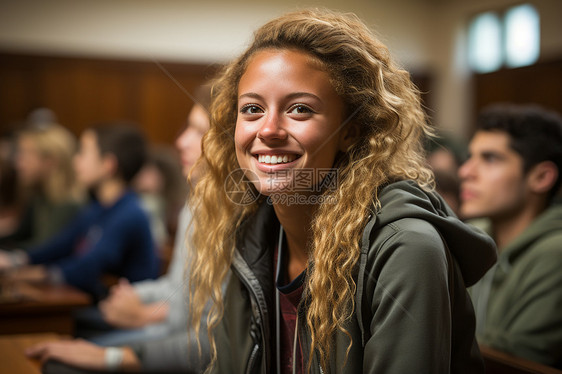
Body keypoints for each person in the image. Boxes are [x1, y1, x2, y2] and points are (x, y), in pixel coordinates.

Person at [188, 9, 496, 374]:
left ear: (350, 130)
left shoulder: (407, 247)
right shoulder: (252, 236)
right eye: (252, 109)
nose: (268, 129)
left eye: (299, 109)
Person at [25, 85, 213, 373]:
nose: (181, 141)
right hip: (159, 324)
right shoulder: (194, 205)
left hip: (170, 336)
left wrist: (141, 313)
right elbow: (176, 289)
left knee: (58, 359)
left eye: (198, 130)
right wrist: (135, 296)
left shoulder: (131, 211)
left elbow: (200, 330)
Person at [0, 123, 158, 300]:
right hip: (97, 304)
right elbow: (60, 245)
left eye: (83, 152)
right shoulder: (98, 208)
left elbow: (89, 265)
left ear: (108, 165)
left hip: (122, 315)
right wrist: (16, 260)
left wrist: (32, 274)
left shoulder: (129, 213)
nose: (75, 161)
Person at [458, 104, 562, 368]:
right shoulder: (472, 236)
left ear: (541, 177)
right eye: (470, 156)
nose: (466, 171)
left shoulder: (556, 252)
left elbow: (519, 359)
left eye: (490, 158)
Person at [0, 123, 83, 249]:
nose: (18, 164)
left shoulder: (71, 205)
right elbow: (21, 235)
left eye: (25, 155)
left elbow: (46, 250)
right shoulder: (39, 195)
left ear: (50, 161)